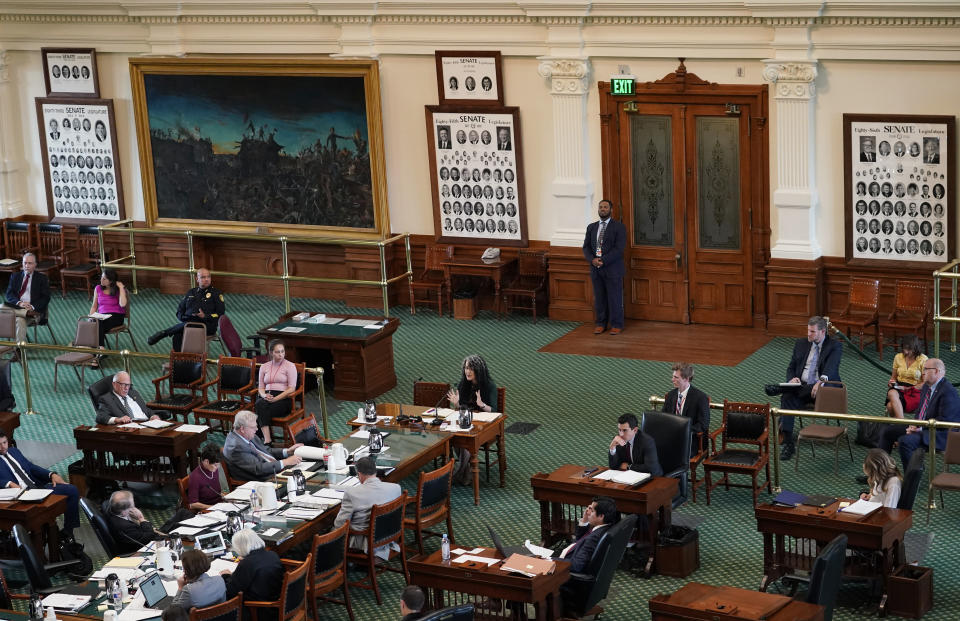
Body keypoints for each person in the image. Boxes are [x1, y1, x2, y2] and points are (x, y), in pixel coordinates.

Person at [764, 316, 842, 461]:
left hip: (824, 390)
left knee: (792, 392)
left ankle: (781, 388)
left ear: (823, 331)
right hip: (802, 388)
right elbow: (791, 367)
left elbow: (832, 368)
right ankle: (788, 443)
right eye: (808, 330)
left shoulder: (834, 346)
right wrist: (791, 379)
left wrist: (821, 381)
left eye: (812, 332)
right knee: (788, 398)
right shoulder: (801, 343)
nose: (808, 334)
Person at [879, 358, 960, 468]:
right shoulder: (927, 386)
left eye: (926, 369)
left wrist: (920, 429)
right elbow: (921, 410)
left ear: (936, 371)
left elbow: (946, 422)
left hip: (939, 434)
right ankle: (879, 471)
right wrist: (914, 425)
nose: (923, 372)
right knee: (887, 432)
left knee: (905, 441)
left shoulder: (948, 392)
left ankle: (912, 479)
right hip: (923, 426)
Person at [0, 430, 80, 537]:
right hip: (22, 497)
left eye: (4, 442)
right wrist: (8, 483)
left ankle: (68, 532)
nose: (3, 447)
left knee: (72, 490)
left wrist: (51, 475)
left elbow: (31, 468)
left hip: (38, 488)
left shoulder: (14, 451)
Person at [333, 456, 402, 558]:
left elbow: (340, 524)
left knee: (331, 531)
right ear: (376, 471)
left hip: (364, 542)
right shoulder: (396, 488)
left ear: (359, 474)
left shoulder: (352, 493)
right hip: (389, 535)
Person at [147, 268, 224, 350]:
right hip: (187, 323)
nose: (206, 279)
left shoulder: (216, 294)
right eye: (203, 277)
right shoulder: (191, 292)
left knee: (189, 325)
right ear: (197, 279)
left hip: (206, 325)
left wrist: (205, 316)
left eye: (208, 277)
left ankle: (164, 333)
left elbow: (220, 314)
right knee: (178, 335)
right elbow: (180, 310)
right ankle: (180, 360)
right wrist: (184, 318)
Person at [582, 199, 626, 335]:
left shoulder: (619, 227)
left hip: (612, 268)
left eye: (605, 207)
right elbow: (586, 247)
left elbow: (619, 249)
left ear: (611, 210)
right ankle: (601, 323)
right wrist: (592, 260)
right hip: (596, 269)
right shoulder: (591, 227)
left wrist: (603, 260)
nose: (602, 209)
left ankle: (616, 324)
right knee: (600, 297)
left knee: (615, 298)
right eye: (600, 207)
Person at [222, 410, 302, 481]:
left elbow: (266, 451)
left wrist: (287, 452)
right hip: (260, 480)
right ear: (242, 429)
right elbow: (258, 469)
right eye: (253, 427)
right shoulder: (236, 447)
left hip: (271, 470)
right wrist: (285, 462)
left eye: (256, 426)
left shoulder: (247, 435)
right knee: (300, 480)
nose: (256, 429)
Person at [222, 529, 284, 619]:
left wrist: (226, 576)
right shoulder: (272, 554)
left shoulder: (247, 564)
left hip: (259, 610)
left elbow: (232, 591)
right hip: (277, 601)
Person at [3, 253, 51, 357]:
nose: (26, 265)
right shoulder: (15, 276)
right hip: (18, 307)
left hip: (33, 312)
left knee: (19, 319)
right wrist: (19, 303)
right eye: (25, 263)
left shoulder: (42, 278)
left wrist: (32, 306)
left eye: (30, 263)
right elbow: (9, 294)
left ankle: (19, 351)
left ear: (35, 265)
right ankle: (24, 313)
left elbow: (46, 298)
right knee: (1, 306)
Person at [253, 340, 298, 444]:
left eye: (282, 351)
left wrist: (275, 399)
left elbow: (291, 388)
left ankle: (264, 439)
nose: (281, 354)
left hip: (283, 398)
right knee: (261, 404)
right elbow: (260, 387)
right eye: (277, 352)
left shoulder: (290, 366)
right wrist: (264, 396)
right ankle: (267, 439)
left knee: (259, 408)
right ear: (271, 352)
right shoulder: (264, 367)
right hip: (266, 397)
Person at [559, 497, 618, 573]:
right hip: (571, 556)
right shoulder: (605, 527)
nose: (588, 512)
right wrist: (584, 520)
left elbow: (577, 565)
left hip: (564, 569)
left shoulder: (594, 537)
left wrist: (549, 560)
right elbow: (579, 540)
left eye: (592, 510)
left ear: (601, 516)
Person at [662, 363, 710, 453]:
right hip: (671, 438)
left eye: (676, 377)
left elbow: (703, 424)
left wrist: (684, 431)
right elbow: (663, 417)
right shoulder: (671, 395)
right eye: (673, 376)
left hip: (691, 440)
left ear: (686, 379)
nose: (672, 380)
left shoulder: (700, 398)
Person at [96, 371, 168, 424]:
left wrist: (153, 415)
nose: (126, 388)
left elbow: (145, 410)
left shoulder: (133, 393)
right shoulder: (106, 399)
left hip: (150, 424)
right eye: (123, 384)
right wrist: (118, 419)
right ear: (114, 384)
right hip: (135, 429)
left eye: (128, 385)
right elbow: (100, 417)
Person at [89, 269, 127, 349]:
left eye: (104, 279)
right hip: (102, 317)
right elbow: (94, 306)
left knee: (96, 325)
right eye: (101, 277)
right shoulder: (98, 288)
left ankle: (98, 352)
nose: (101, 280)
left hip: (116, 316)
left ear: (111, 281)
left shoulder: (118, 289)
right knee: (93, 323)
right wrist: (90, 316)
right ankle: (100, 351)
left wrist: (121, 288)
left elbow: (123, 304)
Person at [187, 444, 223, 510]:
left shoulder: (213, 469)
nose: (217, 467)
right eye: (215, 465)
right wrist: (212, 508)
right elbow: (193, 504)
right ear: (206, 461)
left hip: (219, 504)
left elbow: (217, 492)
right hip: (207, 510)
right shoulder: (195, 477)